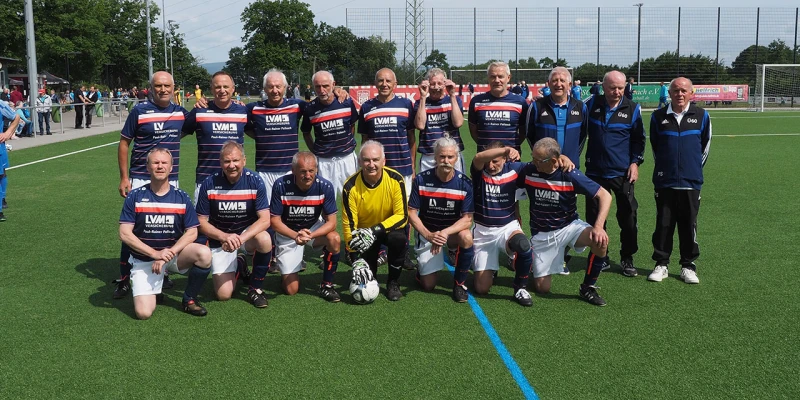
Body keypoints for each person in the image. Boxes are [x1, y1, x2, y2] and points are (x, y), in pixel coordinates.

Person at [114, 71, 188, 299]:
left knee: (167, 227)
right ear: (151, 88)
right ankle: (125, 277)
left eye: (167, 86)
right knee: (134, 228)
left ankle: (162, 271)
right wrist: (124, 177)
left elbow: (201, 120)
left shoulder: (181, 113)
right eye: (158, 86)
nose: (163, 90)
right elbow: (124, 143)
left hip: (169, 177)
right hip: (140, 176)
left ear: (174, 88)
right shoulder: (139, 111)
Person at [119, 148, 212, 319]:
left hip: (172, 256)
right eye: (155, 163)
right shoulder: (135, 196)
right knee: (143, 313)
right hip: (145, 260)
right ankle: (155, 287)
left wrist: (167, 254)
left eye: (164, 163)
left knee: (204, 254)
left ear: (171, 168)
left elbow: (192, 232)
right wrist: (155, 254)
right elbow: (124, 234)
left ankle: (189, 299)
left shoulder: (181, 197)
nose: (160, 166)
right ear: (148, 167)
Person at [518, 138, 612, 306]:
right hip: (542, 235)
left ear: (554, 161)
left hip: (569, 227)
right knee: (542, 288)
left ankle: (588, 287)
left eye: (538, 160)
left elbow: (605, 195)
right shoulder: (529, 170)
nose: (534, 163)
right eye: (533, 158)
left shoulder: (569, 174)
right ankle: (534, 261)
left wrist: (598, 227)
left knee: (600, 241)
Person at [648, 77, 711, 284]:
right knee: (663, 224)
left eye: (684, 90)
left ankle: (688, 266)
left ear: (691, 93)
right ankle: (661, 264)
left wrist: (692, 170)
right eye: (675, 90)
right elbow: (656, 147)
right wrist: (665, 170)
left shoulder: (702, 116)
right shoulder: (658, 117)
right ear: (669, 93)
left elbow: (705, 147)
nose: (680, 94)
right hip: (665, 181)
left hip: (691, 181)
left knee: (688, 224)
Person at [526, 66, 588, 275]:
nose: (559, 84)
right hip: (544, 170)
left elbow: (582, 136)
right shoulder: (537, 107)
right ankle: (540, 251)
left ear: (570, 84)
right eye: (555, 80)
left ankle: (562, 257)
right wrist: (545, 160)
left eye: (563, 80)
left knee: (567, 213)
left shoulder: (580, 107)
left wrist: (570, 158)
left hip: (569, 169)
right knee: (543, 210)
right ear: (549, 84)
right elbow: (530, 136)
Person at [195, 141, 273, 307]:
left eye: (236, 160)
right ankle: (240, 264)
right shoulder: (209, 183)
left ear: (244, 160)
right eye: (227, 161)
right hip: (221, 239)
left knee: (265, 239)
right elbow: (201, 222)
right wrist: (224, 237)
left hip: (245, 236)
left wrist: (240, 239)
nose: (232, 165)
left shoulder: (255, 181)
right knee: (223, 295)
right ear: (220, 162)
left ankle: (255, 288)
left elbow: (265, 219)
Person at [583, 70, 645, 277]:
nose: (617, 92)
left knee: (628, 217)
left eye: (620, 88)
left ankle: (627, 257)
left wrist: (635, 162)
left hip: (622, 172)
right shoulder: (591, 104)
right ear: (603, 87)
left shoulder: (633, 108)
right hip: (595, 172)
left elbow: (638, 140)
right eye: (612, 88)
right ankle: (601, 256)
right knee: (595, 218)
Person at [408, 137, 473, 302]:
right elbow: (411, 213)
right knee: (428, 285)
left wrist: (445, 233)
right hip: (428, 232)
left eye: (450, 157)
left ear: (456, 158)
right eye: (442, 156)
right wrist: (429, 235)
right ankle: (422, 270)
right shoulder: (421, 180)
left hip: (450, 233)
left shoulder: (465, 184)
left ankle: (459, 284)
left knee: (466, 236)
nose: (446, 161)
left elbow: (467, 219)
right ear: (435, 157)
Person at [270, 152, 342, 301]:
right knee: (291, 290)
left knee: (334, 238)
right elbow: (275, 222)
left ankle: (327, 285)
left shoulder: (325, 186)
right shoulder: (281, 185)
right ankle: (286, 269)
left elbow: (332, 222)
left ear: (317, 169)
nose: (308, 175)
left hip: (312, 228)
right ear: (293, 170)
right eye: (303, 171)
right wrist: (295, 236)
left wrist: (310, 235)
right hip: (288, 232)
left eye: (311, 171)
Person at [342, 141, 409, 301]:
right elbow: (349, 225)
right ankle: (371, 273)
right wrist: (355, 258)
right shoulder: (350, 186)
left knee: (399, 238)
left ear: (383, 161)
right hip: (364, 236)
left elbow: (402, 216)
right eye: (366, 160)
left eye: (375, 160)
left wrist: (374, 230)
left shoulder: (396, 179)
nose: (371, 164)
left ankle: (393, 282)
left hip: (386, 230)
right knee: (368, 273)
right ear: (360, 162)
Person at [182, 71, 248, 201]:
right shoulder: (199, 110)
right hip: (206, 180)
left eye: (226, 86)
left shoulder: (243, 111)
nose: (222, 90)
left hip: (236, 180)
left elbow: (258, 132)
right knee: (202, 215)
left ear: (233, 89)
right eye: (218, 87)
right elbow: (177, 134)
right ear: (212, 89)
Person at [301, 71, 359, 199]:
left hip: (347, 159)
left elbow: (352, 125)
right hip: (324, 162)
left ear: (333, 84)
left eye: (325, 86)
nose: (322, 90)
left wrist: (347, 144)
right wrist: (315, 151)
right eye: (318, 86)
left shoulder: (346, 101)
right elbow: (306, 133)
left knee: (353, 199)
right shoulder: (310, 108)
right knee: (324, 201)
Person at [358, 68, 416, 193]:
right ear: (375, 83)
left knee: (403, 204)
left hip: (402, 168)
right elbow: (364, 141)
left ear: (395, 84)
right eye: (380, 81)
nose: (384, 84)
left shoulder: (406, 104)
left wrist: (412, 166)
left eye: (388, 81)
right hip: (376, 170)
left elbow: (411, 138)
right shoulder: (366, 107)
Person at [468, 61, 529, 152]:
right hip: (485, 157)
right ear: (488, 78)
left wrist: (511, 148)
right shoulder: (476, 101)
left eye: (500, 76)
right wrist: (488, 149)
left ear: (508, 78)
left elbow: (523, 132)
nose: (497, 80)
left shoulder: (520, 102)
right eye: (493, 77)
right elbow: (473, 131)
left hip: (511, 157)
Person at [413, 68, 465, 172]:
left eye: (439, 83)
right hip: (429, 154)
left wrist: (452, 95)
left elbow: (458, 123)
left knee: (455, 182)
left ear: (445, 84)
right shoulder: (420, 103)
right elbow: (420, 125)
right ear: (427, 84)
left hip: (451, 154)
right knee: (426, 183)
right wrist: (423, 97)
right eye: (432, 84)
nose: (436, 87)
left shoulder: (454, 100)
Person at [0, 100, 21, 222]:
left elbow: (16, 117)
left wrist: (8, 133)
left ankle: (2, 200)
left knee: (1, 174)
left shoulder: (0, 105)